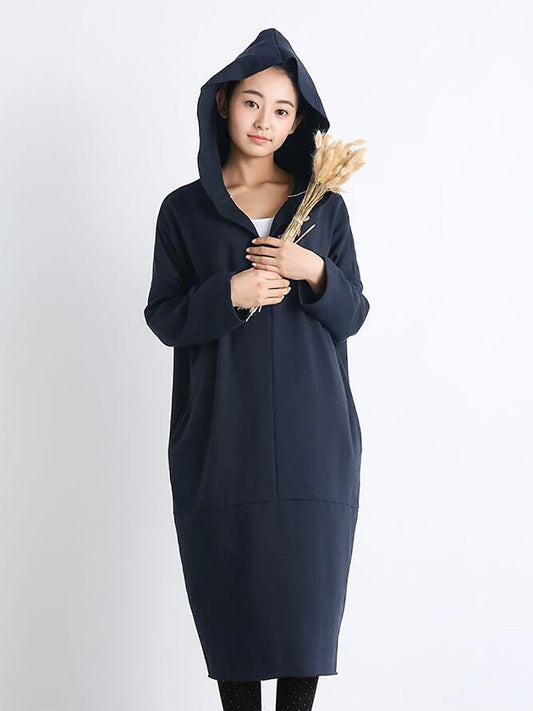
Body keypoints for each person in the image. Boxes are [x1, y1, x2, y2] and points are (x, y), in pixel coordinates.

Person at [144, 28, 370, 711]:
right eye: (251, 102)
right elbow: (165, 318)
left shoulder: (324, 209)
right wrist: (230, 294)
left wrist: (312, 270)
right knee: (231, 604)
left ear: (298, 122)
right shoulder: (184, 211)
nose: (264, 121)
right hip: (222, 440)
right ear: (223, 104)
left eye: (281, 109)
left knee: (306, 614)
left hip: (312, 441)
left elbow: (353, 313)